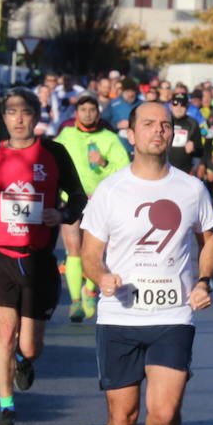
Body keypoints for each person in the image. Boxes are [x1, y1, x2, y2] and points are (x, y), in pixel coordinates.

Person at [80, 101, 213, 425]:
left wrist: (204, 281)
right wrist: (101, 276)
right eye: (149, 124)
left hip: (173, 313)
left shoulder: (191, 189)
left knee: (163, 413)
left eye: (165, 125)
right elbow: (89, 253)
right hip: (120, 313)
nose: (158, 131)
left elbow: (209, 240)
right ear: (132, 134)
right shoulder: (111, 190)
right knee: (122, 415)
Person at [0, 88, 87, 425]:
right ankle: (5, 407)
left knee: (29, 345)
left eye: (25, 112)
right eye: (11, 112)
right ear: (3, 118)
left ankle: (23, 362)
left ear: (36, 115)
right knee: (4, 332)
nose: (18, 119)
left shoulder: (54, 153)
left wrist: (61, 215)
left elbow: (77, 196)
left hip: (39, 259)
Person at [54, 94, 131, 322]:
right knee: (73, 249)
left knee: (94, 250)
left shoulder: (109, 138)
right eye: (83, 110)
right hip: (72, 199)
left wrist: (103, 163)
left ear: (98, 113)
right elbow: (51, 162)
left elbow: (124, 168)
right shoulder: (66, 136)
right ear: (76, 113)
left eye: (92, 110)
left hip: (99, 203)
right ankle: (76, 302)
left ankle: (90, 291)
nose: (88, 114)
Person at [167, 92, 205, 176]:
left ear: (187, 107)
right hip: (164, 169)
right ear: (170, 105)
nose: (179, 107)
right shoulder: (165, 120)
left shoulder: (192, 123)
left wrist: (193, 148)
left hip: (185, 171)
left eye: (182, 104)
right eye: (175, 103)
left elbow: (199, 150)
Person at [104, 77, 141, 154]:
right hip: (117, 147)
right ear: (122, 91)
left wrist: (134, 124)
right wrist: (116, 125)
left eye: (132, 91)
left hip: (137, 148)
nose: (130, 94)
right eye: (127, 91)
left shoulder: (142, 105)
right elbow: (103, 122)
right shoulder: (113, 104)